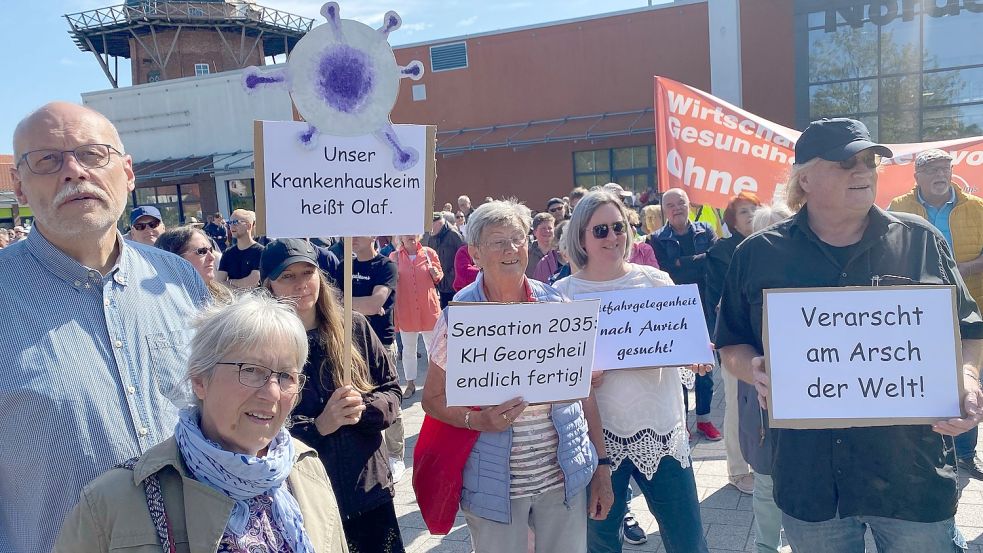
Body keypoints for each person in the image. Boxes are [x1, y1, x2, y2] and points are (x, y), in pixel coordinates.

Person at [716, 118, 982, 552]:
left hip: (911, 477)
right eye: (845, 163)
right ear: (804, 178)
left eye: (869, 162)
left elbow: (969, 330)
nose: (862, 172)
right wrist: (754, 370)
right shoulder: (758, 255)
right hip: (812, 481)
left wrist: (967, 380)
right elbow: (731, 343)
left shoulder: (920, 241)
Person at [2, 102, 209, 553]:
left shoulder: (179, 279)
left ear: (128, 172)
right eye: (46, 160)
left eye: (93, 154)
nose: (74, 172)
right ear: (18, 185)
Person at [54, 293, 349, 553]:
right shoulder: (115, 500)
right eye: (252, 370)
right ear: (200, 381)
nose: (272, 392)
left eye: (286, 376)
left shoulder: (305, 469)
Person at [421, 199, 611, 553]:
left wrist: (602, 465)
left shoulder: (557, 308)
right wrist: (476, 420)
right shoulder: (458, 319)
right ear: (475, 253)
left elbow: (584, 393)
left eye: (518, 238)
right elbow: (431, 400)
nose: (511, 249)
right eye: (498, 241)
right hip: (494, 487)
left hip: (562, 479)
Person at [553, 190, 710, 553]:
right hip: (596, 442)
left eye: (619, 227)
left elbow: (683, 347)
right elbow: (554, 377)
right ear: (581, 237)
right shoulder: (562, 295)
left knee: (688, 541)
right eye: (601, 231)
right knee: (601, 545)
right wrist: (577, 377)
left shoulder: (655, 281)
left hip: (661, 432)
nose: (613, 237)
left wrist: (695, 357)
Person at [261, 238, 405, 552]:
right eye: (287, 276)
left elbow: (392, 392)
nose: (300, 284)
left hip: (368, 488)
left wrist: (363, 409)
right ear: (268, 284)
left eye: (307, 272)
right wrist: (318, 428)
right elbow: (257, 426)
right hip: (304, 495)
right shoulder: (261, 346)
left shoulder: (353, 326)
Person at [889, 148, 983, 480]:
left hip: (971, 312)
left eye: (945, 168)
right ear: (917, 177)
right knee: (921, 384)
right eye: (931, 169)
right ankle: (923, 453)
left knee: (967, 386)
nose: (940, 174)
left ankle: (966, 455)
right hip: (917, 316)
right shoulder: (898, 208)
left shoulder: (977, 208)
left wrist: (952, 271)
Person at [705, 191, 762, 496]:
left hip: (766, 338)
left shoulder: (770, 244)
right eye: (744, 211)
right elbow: (717, 301)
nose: (751, 215)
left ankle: (763, 463)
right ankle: (738, 470)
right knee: (737, 405)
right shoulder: (722, 252)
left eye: (755, 209)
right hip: (735, 340)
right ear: (731, 220)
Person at [651, 187, 720, 440]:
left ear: (689, 205)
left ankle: (704, 419)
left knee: (706, 369)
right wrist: (694, 262)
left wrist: (683, 262)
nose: (676, 208)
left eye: (681, 203)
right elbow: (667, 270)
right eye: (670, 205)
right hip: (675, 311)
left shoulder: (706, 230)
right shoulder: (657, 238)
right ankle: (683, 421)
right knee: (678, 369)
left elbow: (713, 260)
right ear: (664, 210)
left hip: (705, 306)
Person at [390, 234, 442, 398]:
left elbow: (439, 276)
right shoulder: (395, 257)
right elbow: (389, 280)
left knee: (434, 349)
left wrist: (436, 274)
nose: (412, 236)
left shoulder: (429, 253)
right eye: (407, 233)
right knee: (408, 349)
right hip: (406, 310)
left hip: (428, 309)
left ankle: (436, 384)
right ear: (401, 238)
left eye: (414, 232)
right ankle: (410, 384)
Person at [156, 225, 234, 303]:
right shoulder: (162, 304)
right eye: (202, 251)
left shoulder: (224, 297)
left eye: (210, 250)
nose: (212, 257)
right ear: (175, 260)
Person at [422, 211, 465, 308]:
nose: (429, 229)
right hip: (440, 284)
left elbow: (464, 256)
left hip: (454, 286)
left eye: (430, 225)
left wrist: (453, 276)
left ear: (439, 222)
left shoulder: (454, 235)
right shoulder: (432, 238)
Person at [217, 208, 264, 289]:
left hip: (255, 300)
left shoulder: (260, 251)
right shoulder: (227, 253)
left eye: (235, 222)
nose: (231, 226)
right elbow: (219, 284)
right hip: (234, 300)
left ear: (249, 226)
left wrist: (229, 283)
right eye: (230, 223)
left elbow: (252, 283)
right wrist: (240, 284)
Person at [527, 212, 555, 278]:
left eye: (550, 228)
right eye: (543, 228)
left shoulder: (561, 253)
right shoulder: (527, 254)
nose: (547, 231)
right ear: (535, 232)